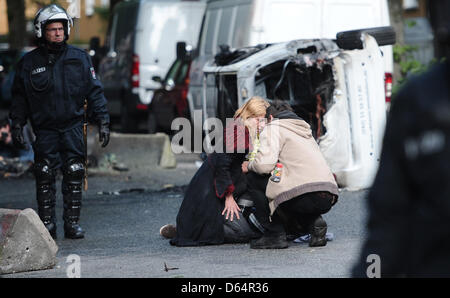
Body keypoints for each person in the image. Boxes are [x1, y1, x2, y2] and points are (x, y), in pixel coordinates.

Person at [9, 4, 110, 239]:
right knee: (44, 172)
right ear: (41, 31)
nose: (57, 33)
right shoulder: (29, 63)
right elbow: (19, 98)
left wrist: (103, 120)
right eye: (52, 29)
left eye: (61, 28)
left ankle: (72, 225)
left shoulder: (80, 59)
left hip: (73, 127)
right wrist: (17, 124)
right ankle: (47, 225)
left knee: (74, 171)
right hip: (45, 130)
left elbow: (95, 92)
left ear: (67, 29)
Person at [161, 96, 270, 246]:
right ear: (248, 117)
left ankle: (190, 229)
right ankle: (194, 231)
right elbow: (222, 164)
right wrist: (228, 196)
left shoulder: (242, 129)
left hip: (219, 184)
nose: (262, 124)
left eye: (264, 120)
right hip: (212, 191)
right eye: (258, 120)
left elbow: (231, 160)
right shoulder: (237, 131)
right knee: (243, 234)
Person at [245, 100, 339, 249]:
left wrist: (249, 164)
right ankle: (314, 222)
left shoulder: (273, 127)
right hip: (327, 195)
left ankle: (274, 234)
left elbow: (263, 166)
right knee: (294, 185)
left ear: (270, 118)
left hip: (304, 196)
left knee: (255, 178)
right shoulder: (305, 130)